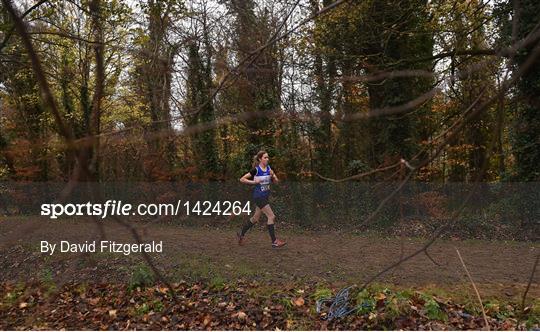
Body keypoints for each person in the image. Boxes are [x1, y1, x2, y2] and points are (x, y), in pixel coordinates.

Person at [237, 150, 287, 248]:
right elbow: (242, 179)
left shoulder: (269, 169)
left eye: (268, 157)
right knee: (271, 216)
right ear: (260, 159)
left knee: (255, 218)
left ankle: (241, 233)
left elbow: (276, 182)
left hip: (265, 196)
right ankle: (274, 242)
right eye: (265, 157)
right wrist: (254, 182)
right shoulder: (256, 170)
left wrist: (273, 175)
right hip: (259, 197)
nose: (267, 159)